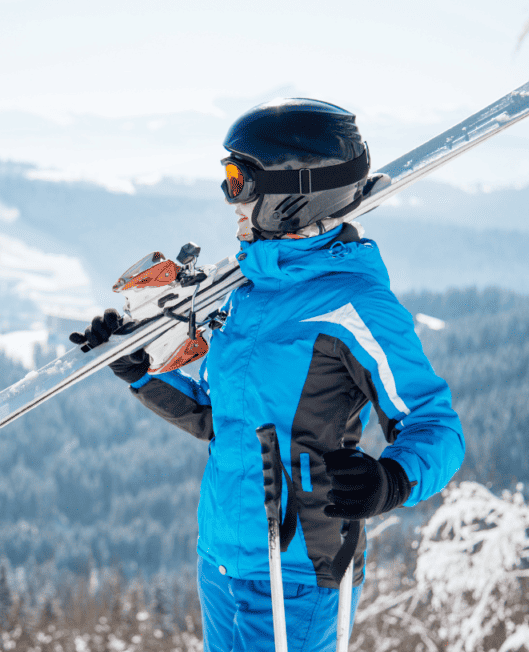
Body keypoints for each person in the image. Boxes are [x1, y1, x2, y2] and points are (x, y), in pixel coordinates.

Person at [70, 98, 464, 652]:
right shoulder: (251, 292)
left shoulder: (353, 304)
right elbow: (219, 416)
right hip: (222, 557)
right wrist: (143, 373)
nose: (230, 198)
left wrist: (391, 481)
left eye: (240, 180)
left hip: (299, 571)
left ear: (292, 195)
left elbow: (435, 425)